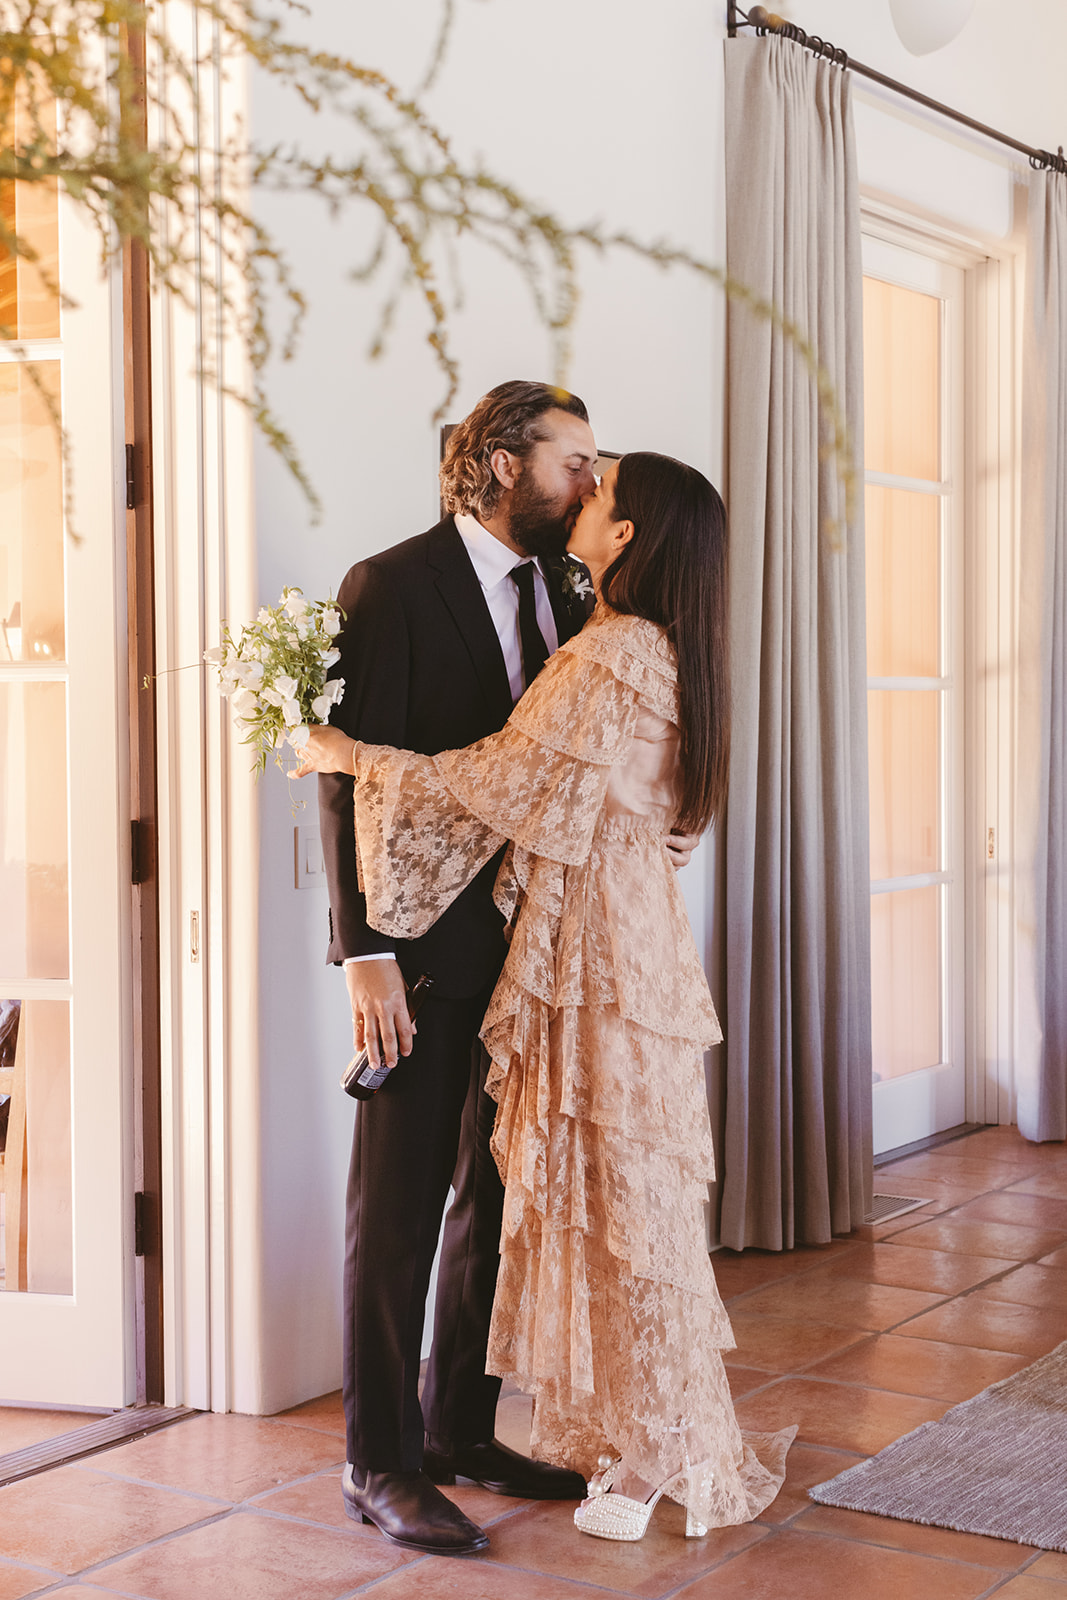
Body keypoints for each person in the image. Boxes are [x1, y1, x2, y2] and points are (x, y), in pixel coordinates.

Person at [302, 451, 795, 1543]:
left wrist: (343, 750)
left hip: (580, 953)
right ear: (500, 462)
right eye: (578, 461)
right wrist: (363, 948)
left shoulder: (603, 629)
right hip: (503, 950)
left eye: (600, 482)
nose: (584, 486)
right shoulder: (404, 585)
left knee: (573, 1196)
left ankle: (507, 1430)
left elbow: (500, 774)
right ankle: (382, 1461)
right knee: (448, 1205)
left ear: (621, 537)